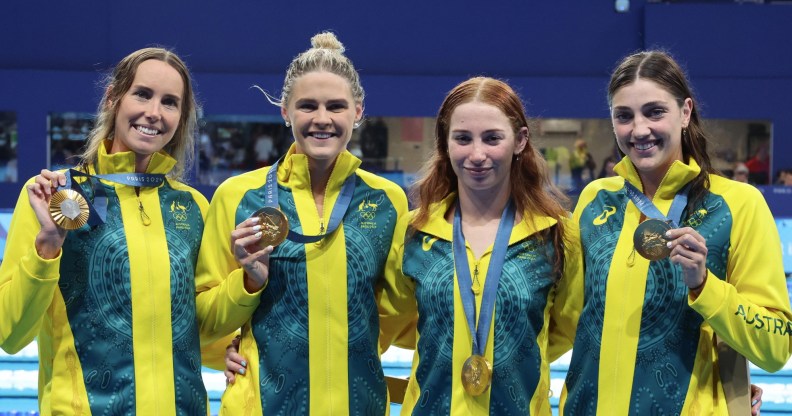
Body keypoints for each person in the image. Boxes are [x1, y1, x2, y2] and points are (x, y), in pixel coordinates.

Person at [560, 50, 791, 415]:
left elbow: (776, 346)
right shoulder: (595, 200)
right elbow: (564, 319)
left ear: (685, 112)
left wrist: (704, 285)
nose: (639, 130)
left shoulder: (738, 205)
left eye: (654, 112)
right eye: (624, 116)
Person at [194, 31, 409, 415]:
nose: (322, 119)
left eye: (336, 106)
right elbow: (204, 319)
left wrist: (347, 350)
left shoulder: (387, 201)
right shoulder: (238, 196)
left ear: (357, 112)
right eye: (307, 106)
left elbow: (392, 312)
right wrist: (248, 283)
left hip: (357, 405)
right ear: (285, 112)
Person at [0, 47, 212, 414]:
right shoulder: (53, 194)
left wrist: (236, 350)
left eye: (170, 102)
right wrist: (48, 244)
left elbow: (209, 331)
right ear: (113, 97)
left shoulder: (193, 208)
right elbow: (11, 334)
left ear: (182, 116)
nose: (154, 113)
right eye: (142, 94)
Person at [376, 77, 582, 414]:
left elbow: (565, 328)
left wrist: (508, 345)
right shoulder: (413, 230)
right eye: (462, 138)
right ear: (445, 143)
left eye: (492, 138)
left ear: (520, 141)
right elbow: (391, 323)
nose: (477, 154)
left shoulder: (557, 233)